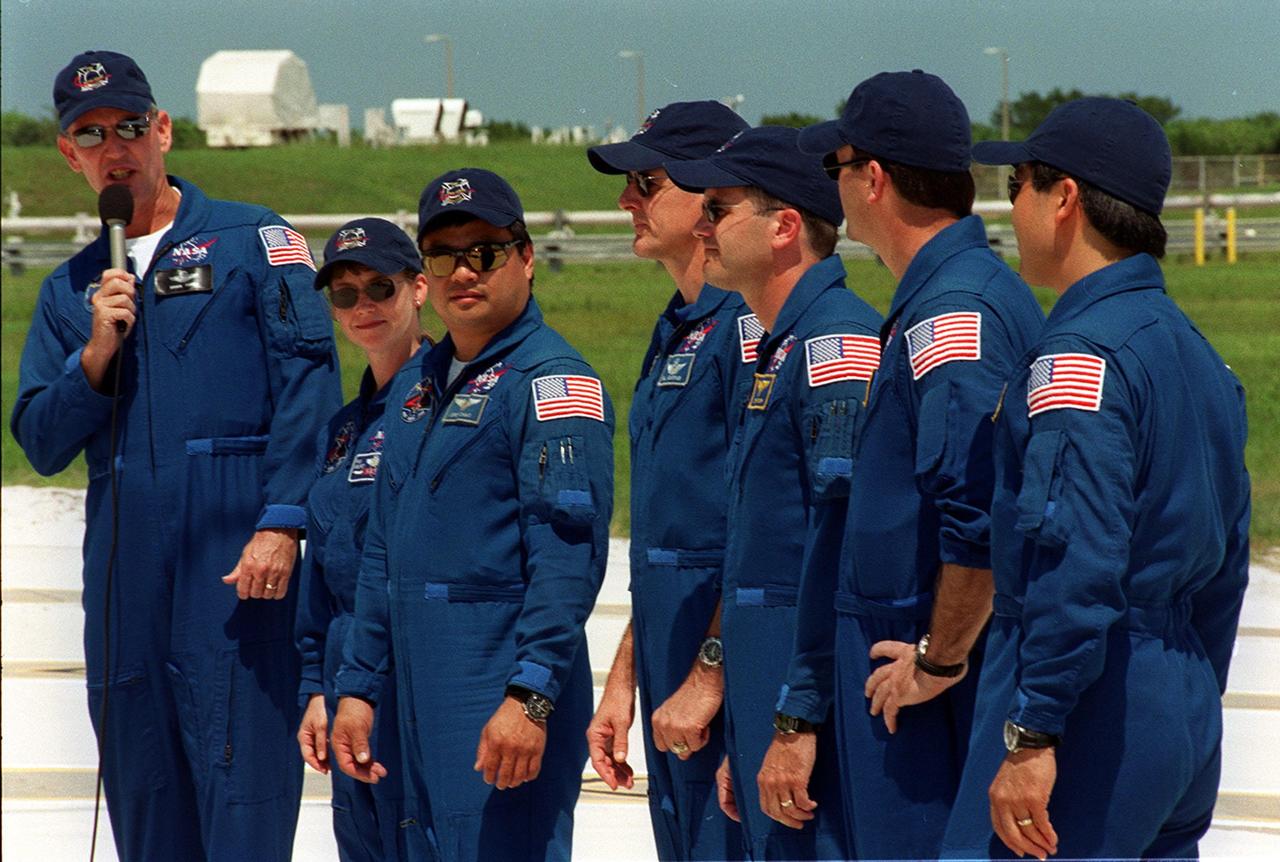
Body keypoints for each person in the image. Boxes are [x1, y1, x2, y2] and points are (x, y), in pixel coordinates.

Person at [10, 51, 341, 861]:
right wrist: (93, 357)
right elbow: (42, 439)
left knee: (242, 797)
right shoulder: (73, 288)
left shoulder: (256, 239)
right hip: (126, 585)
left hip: (231, 575)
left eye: (128, 126)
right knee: (146, 805)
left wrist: (284, 521)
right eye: (90, 134)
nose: (113, 146)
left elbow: (310, 389)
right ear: (69, 153)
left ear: (161, 130)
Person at [942, 98, 1251, 859]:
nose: (1009, 207)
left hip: (1092, 701)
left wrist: (1034, 730)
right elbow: (1229, 557)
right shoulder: (1197, 355)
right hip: (1175, 693)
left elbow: (1072, 554)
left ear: (1065, 199)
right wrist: (1183, 698)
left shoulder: (1080, 357)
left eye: (1018, 183)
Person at [783, 70, 1046, 858]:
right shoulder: (935, 299)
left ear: (873, 178)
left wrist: (939, 657)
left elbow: (977, 510)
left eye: (836, 166)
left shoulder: (954, 313)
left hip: (927, 682)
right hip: (903, 651)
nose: (832, 184)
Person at [329, 168, 614, 861]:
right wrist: (360, 686)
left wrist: (531, 697)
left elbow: (566, 559)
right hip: (415, 695)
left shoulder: (552, 383)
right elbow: (382, 554)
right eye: (444, 256)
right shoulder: (417, 389)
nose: (464, 271)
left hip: (495, 690)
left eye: (483, 252)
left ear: (525, 259)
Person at [665, 125, 880, 860]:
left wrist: (796, 724)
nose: (701, 225)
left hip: (809, 697)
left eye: (718, 209)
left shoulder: (835, 347)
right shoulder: (780, 346)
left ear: (785, 226)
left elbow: (844, 550)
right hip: (772, 689)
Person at [583, 100, 750, 862]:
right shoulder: (675, 328)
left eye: (645, 182)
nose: (626, 201)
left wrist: (710, 677)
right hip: (668, 657)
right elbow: (663, 539)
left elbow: (768, 530)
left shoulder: (752, 330)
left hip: (731, 667)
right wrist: (627, 676)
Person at [295, 218, 432, 861]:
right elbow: (319, 575)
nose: (364, 307)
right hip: (344, 674)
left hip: (415, 675)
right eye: (345, 295)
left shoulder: (443, 404)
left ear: (419, 289)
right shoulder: (342, 430)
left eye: (380, 286)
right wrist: (315, 690)